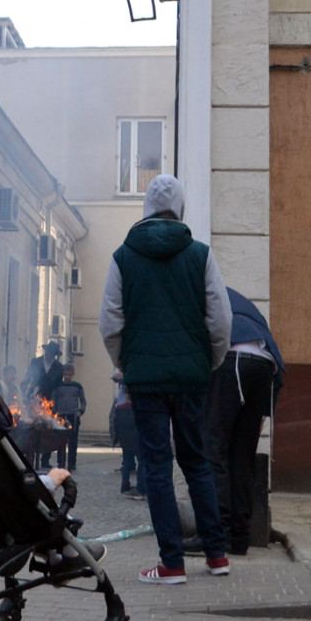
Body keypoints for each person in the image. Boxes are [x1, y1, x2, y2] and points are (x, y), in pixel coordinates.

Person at [98, 173, 233, 585]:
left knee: (156, 466)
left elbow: (110, 321)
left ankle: (172, 563)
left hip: (145, 381)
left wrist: (127, 364)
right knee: (196, 462)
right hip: (191, 378)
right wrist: (209, 363)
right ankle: (217, 555)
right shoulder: (201, 255)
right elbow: (220, 319)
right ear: (180, 208)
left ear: (146, 208)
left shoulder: (123, 256)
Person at [185, 287, 285, 556]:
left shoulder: (194, 293)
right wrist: (264, 411)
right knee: (242, 455)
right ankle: (239, 537)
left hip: (232, 358)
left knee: (212, 449)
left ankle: (214, 534)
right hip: (265, 365)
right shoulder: (236, 298)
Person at [111, 369, 145, 500]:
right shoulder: (136, 409)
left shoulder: (120, 408)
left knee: (127, 462)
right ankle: (141, 487)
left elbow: (116, 424)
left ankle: (125, 485)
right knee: (140, 461)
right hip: (135, 440)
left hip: (126, 440)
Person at [48, 363, 86, 470]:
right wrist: (55, 412)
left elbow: (83, 401)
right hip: (61, 416)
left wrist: (81, 411)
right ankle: (60, 462)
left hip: (73, 416)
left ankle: (72, 462)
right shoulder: (58, 386)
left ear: (73, 374)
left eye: (69, 375)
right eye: (65, 375)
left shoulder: (77, 386)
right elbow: (53, 400)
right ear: (63, 374)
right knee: (60, 440)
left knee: (73, 440)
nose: (67, 377)